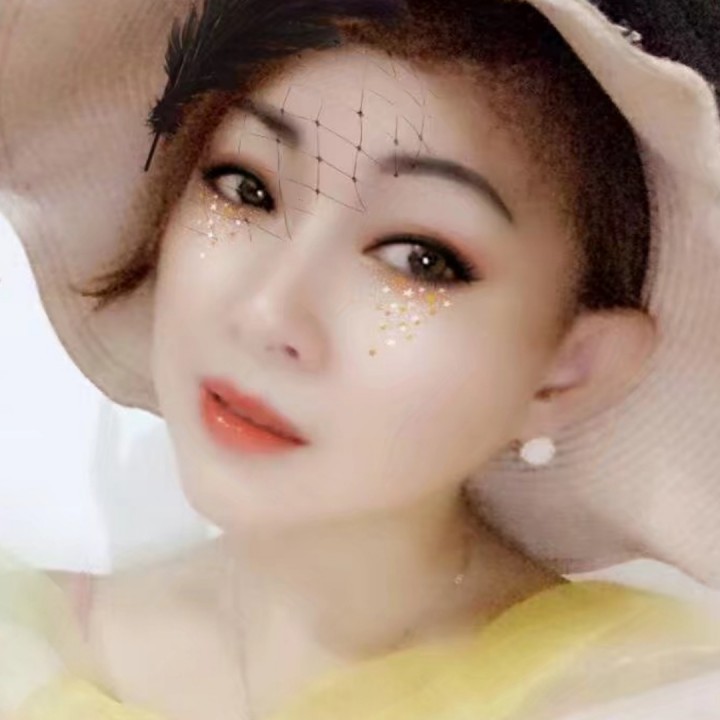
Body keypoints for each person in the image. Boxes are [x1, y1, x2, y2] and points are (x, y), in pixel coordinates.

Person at [1, 0, 720, 718]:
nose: (266, 312)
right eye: (246, 188)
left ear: (569, 370)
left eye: (418, 259)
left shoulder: (649, 700)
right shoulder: (25, 649)